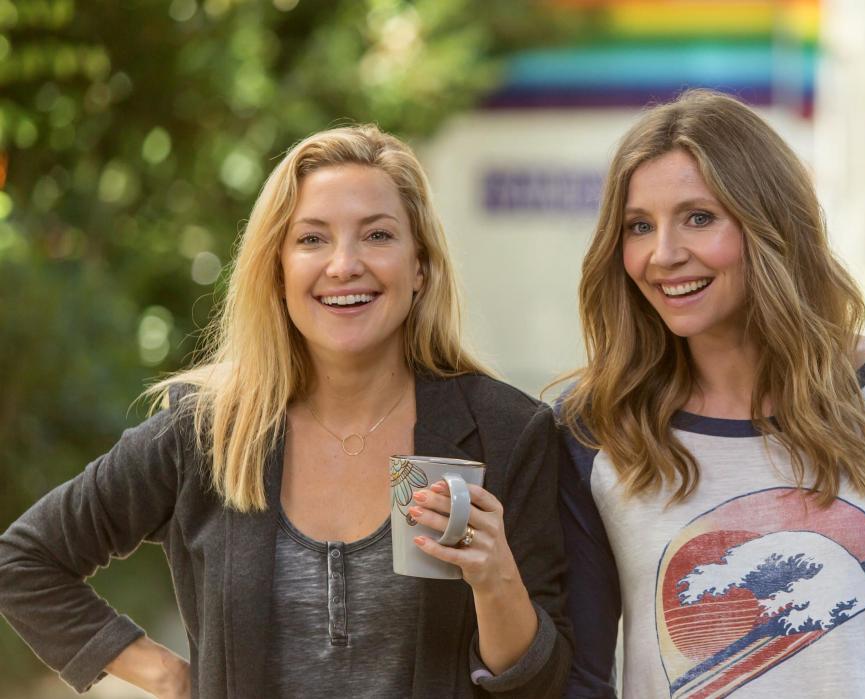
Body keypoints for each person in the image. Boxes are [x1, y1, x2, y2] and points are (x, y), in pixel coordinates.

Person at [0, 125, 571, 698]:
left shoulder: (506, 432)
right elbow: (22, 561)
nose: (344, 265)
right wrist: (172, 678)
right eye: (312, 239)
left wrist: (495, 580)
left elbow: (547, 684)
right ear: (277, 271)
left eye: (377, 235)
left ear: (420, 266)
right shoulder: (208, 433)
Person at [557, 89, 865, 698]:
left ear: (770, 222)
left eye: (699, 218)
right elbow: (582, 678)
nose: (663, 254)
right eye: (639, 226)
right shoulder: (596, 426)